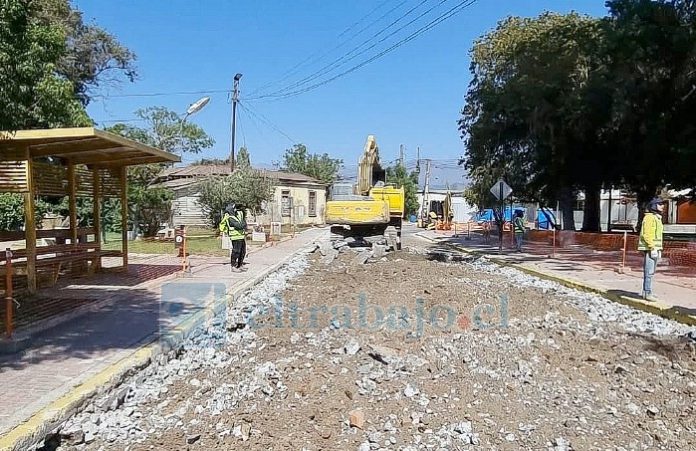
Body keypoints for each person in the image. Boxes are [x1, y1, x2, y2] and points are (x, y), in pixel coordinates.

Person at [638, 198, 664, 301]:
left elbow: (657, 235)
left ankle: (647, 292)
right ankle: (647, 292)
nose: (662, 206)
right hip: (650, 248)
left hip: (654, 248)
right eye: (660, 204)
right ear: (654, 206)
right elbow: (647, 234)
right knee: (649, 271)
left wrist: (659, 249)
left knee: (651, 271)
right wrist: (652, 247)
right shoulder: (649, 218)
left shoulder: (657, 218)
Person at [219, 203, 247, 271]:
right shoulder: (229, 217)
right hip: (235, 236)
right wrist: (243, 224)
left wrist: (243, 224)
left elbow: (244, 223)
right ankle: (233, 266)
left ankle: (240, 265)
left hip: (241, 236)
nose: (236, 210)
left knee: (243, 251)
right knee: (236, 251)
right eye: (235, 208)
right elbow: (239, 226)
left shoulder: (238, 215)